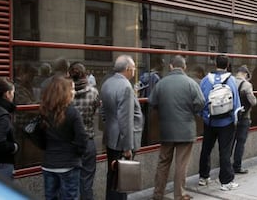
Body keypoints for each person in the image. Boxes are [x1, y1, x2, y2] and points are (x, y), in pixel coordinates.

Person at [149, 55, 205, 200]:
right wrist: (190, 111)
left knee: (163, 162)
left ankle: (158, 194)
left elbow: (152, 102)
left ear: (171, 66)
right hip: (186, 130)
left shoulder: (161, 83)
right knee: (181, 164)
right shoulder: (191, 83)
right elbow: (201, 103)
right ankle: (179, 195)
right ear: (184, 67)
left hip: (166, 130)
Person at [101, 55, 143, 200]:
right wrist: (127, 148)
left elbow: (103, 111)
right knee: (121, 178)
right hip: (121, 141)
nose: (134, 71)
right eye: (134, 68)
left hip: (111, 137)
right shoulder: (125, 86)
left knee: (112, 175)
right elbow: (125, 120)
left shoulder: (107, 82)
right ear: (127, 69)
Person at [40, 76, 88, 200]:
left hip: (49, 163)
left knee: (50, 197)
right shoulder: (73, 112)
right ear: (64, 93)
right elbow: (82, 139)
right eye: (71, 89)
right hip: (68, 164)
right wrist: (77, 154)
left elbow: (41, 137)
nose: (74, 92)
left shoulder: (45, 111)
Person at [198, 54, 241, 191]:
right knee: (225, 151)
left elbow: (201, 100)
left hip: (210, 121)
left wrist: (205, 117)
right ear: (227, 65)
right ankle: (226, 181)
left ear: (215, 64)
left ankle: (203, 177)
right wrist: (235, 119)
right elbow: (236, 102)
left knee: (206, 149)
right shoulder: (231, 80)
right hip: (226, 122)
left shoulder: (206, 80)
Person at [69, 62, 100, 200]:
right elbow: (95, 111)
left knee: (70, 182)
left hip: (70, 142)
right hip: (88, 140)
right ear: (85, 74)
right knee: (86, 181)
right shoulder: (93, 92)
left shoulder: (66, 93)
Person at [0, 77, 19, 180]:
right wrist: (13, 147)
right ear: (7, 94)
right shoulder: (3, 115)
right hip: (0, 164)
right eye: (13, 93)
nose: (13, 96)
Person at [232, 65, 257, 174]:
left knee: (229, 142)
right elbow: (253, 102)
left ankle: (225, 165)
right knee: (240, 142)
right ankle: (237, 166)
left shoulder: (229, 82)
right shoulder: (247, 85)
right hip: (244, 117)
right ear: (246, 74)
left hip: (231, 117)